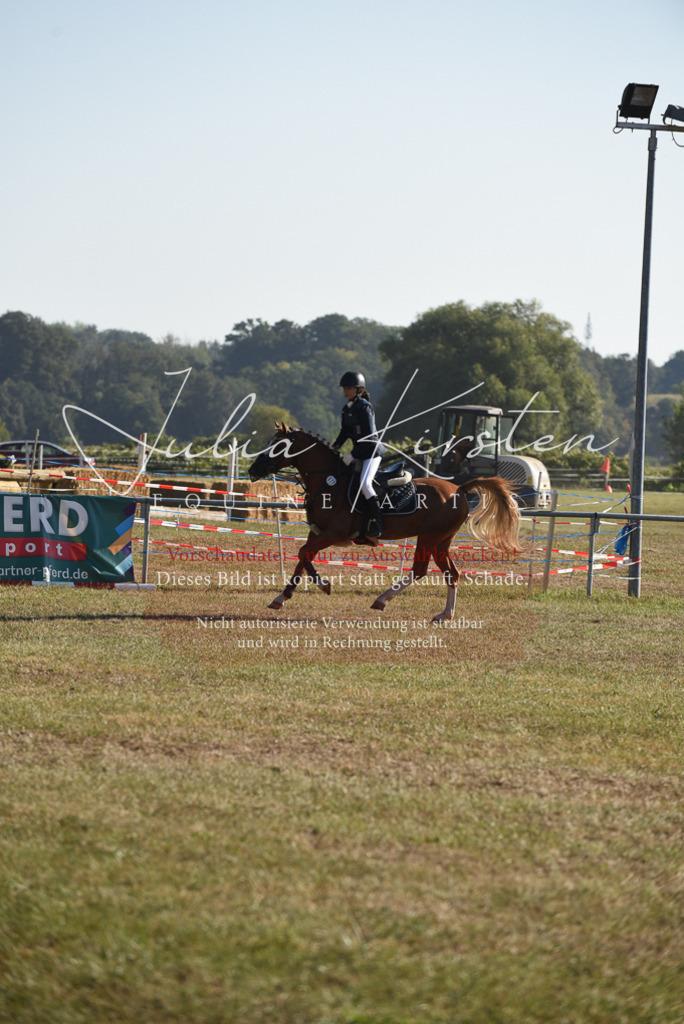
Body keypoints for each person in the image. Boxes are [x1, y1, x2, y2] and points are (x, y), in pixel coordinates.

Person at [332, 371, 387, 537]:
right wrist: (334, 447)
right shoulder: (346, 409)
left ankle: (379, 523)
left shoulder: (364, 408)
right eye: (344, 388)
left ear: (358, 389)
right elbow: (344, 432)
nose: (345, 391)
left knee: (365, 483)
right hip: (359, 453)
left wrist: (353, 455)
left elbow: (370, 438)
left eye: (349, 388)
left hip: (371, 453)